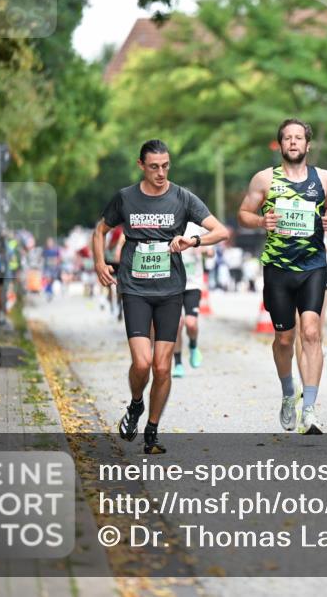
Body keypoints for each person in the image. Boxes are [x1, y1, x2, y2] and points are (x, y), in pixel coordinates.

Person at [93, 139, 228, 455]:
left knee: (163, 367)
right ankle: (136, 404)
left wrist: (192, 240)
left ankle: (152, 431)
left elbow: (221, 231)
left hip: (170, 292)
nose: (161, 172)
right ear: (141, 165)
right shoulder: (125, 198)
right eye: (154, 167)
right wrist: (99, 262)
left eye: (165, 166)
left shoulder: (182, 198)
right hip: (136, 290)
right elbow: (99, 230)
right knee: (142, 363)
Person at [238, 118, 327, 434]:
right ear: (280, 145)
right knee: (284, 338)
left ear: (308, 145)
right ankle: (287, 393)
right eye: (287, 138)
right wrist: (260, 222)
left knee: (311, 333)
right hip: (278, 269)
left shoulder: (324, 179)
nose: (293, 143)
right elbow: (244, 214)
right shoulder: (264, 180)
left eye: (299, 138)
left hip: (313, 266)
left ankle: (309, 409)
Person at [172, 221, 210, 378]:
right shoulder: (169, 223)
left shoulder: (197, 226)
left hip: (193, 284)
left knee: (191, 323)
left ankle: (193, 346)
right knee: (177, 325)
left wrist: (203, 249)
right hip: (173, 285)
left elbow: (212, 249)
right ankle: (178, 363)